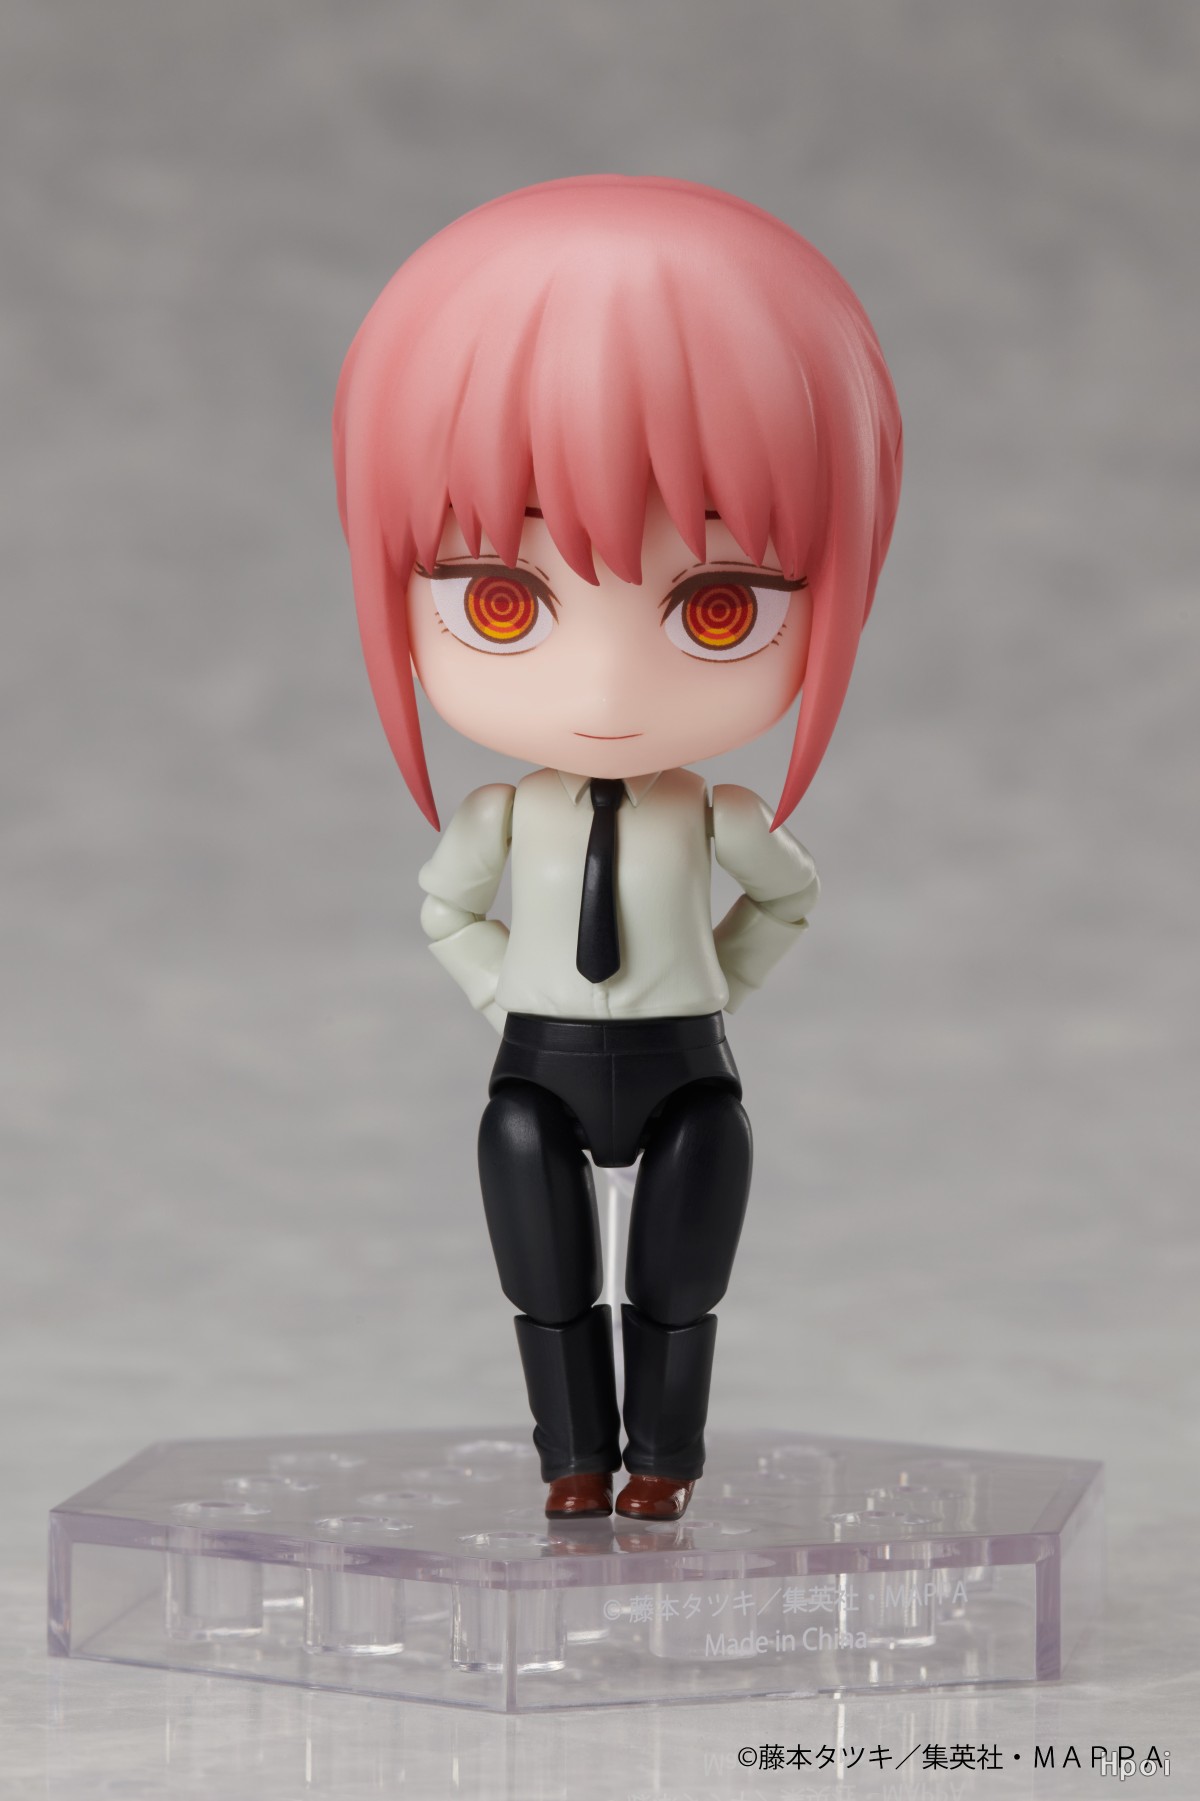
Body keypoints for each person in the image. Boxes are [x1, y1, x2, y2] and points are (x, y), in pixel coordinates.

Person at [333, 176, 902, 1520]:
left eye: (718, 610)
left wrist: (710, 987)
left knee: (677, 1288)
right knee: (544, 1284)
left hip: (683, 1065)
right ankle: (573, 1459)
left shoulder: (716, 818)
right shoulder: (503, 817)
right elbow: (446, 912)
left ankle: (666, 1463)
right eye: (500, 599)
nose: (603, 690)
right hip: (536, 1063)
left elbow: (786, 901)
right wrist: (508, 996)